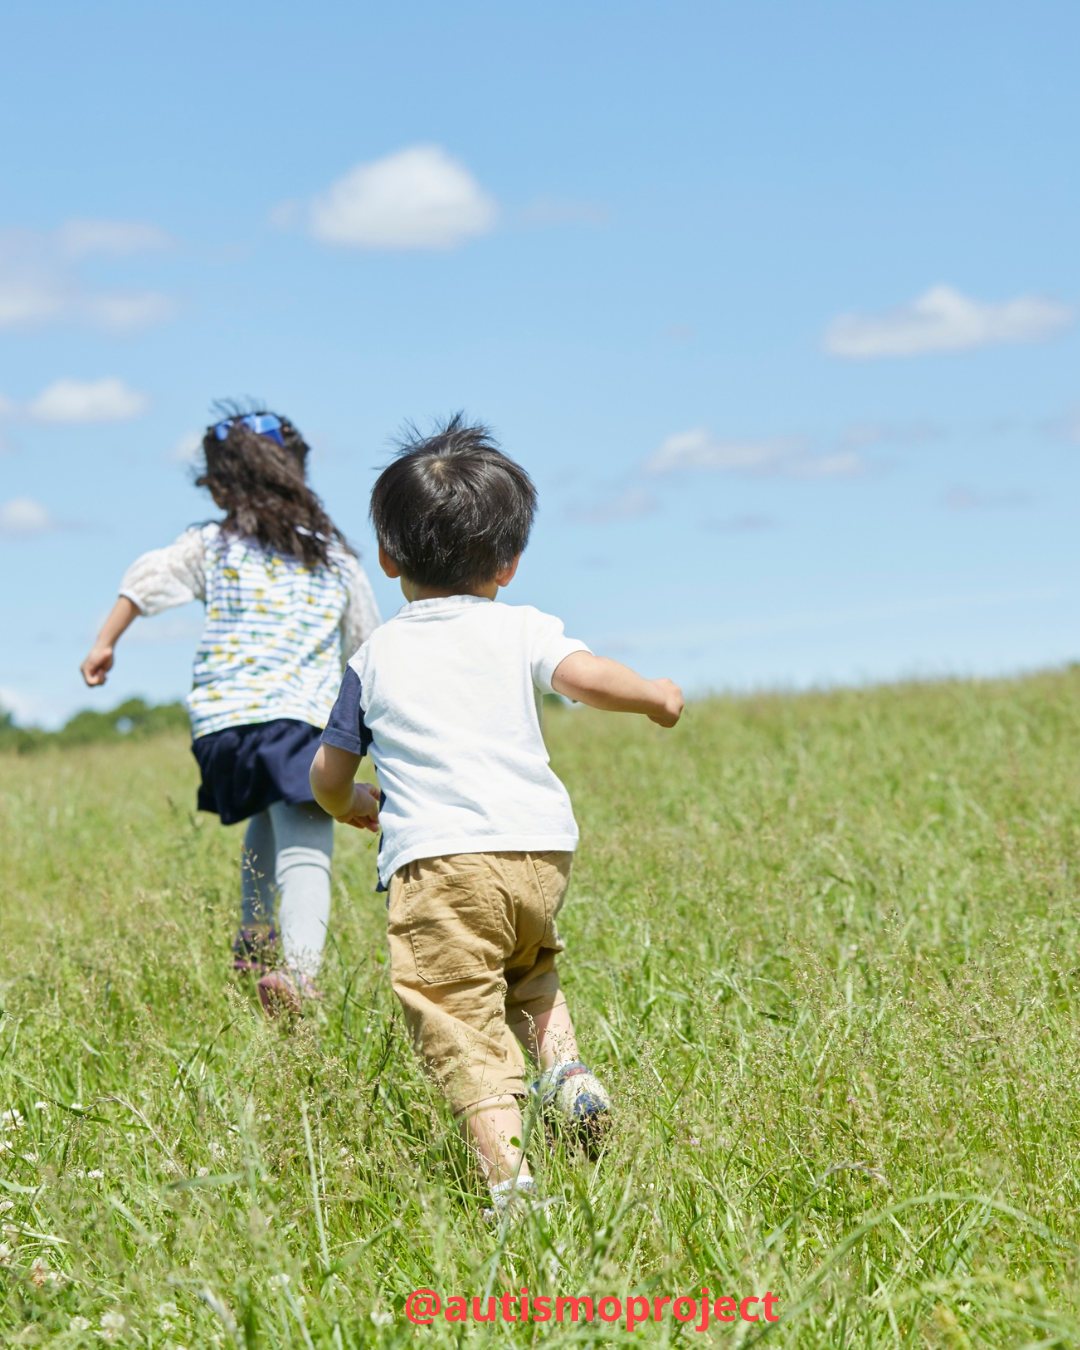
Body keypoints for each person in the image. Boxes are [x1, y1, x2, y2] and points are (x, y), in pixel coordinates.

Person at [309, 415, 682, 1222]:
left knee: (459, 1017)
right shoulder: (523, 628)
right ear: (510, 562)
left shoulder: (373, 658)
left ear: (387, 558)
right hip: (539, 855)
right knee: (529, 973)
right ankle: (569, 1075)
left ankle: (513, 1193)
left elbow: (328, 775)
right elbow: (583, 677)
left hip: (441, 863)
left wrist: (354, 806)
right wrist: (653, 694)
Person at [80, 408, 380, 1013]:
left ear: (221, 485)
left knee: (267, 815)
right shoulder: (332, 559)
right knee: (307, 838)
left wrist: (105, 639)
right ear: (297, 476)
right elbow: (368, 646)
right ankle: (299, 976)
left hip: (222, 726)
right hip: (294, 714)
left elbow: (148, 577)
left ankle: (254, 941)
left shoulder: (212, 545)